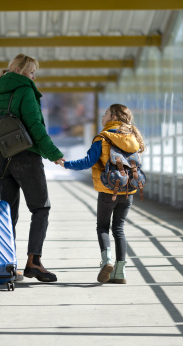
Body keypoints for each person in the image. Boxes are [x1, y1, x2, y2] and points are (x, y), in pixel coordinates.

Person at [0, 54, 64, 283]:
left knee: (7, 214)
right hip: (25, 159)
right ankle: (34, 263)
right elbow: (36, 128)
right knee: (40, 208)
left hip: (0, 161)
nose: (34, 76)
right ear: (20, 71)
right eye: (32, 72)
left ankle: (7, 264)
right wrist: (55, 155)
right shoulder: (25, 91)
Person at [61, 104, 146, 284]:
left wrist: (66, 164)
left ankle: (106, 261)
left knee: (102, 227)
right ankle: (120, 272)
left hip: (108, 190)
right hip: (128, 190)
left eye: (106, 113)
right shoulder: (133, 137)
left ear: (114, 117)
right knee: (119, 229)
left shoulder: (103, 137)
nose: (102, 116)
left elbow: (87, 162)